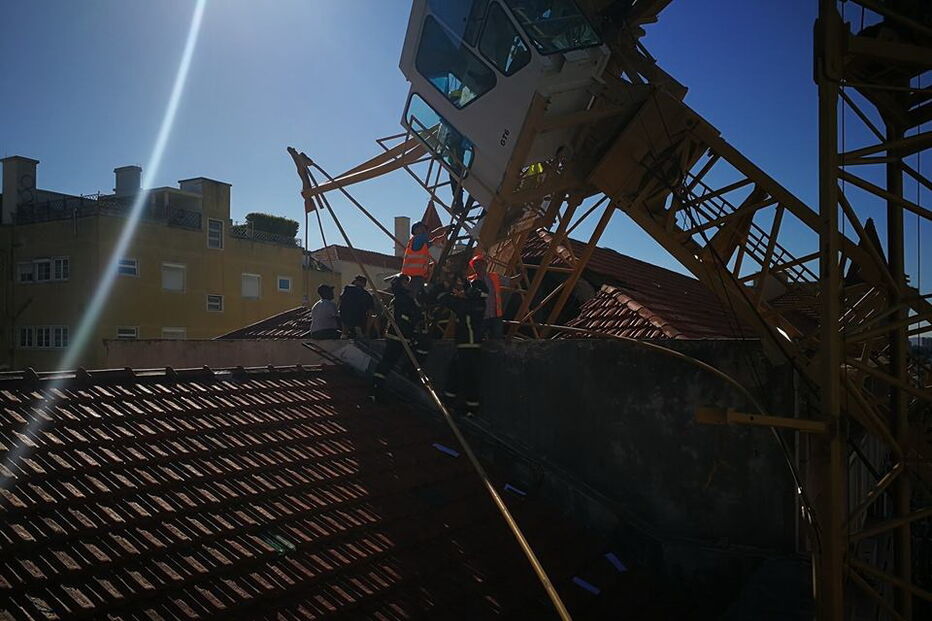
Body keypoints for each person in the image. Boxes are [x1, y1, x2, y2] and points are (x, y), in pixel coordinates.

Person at [368, 274, 424, 401]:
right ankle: (377, 388)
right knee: (388, 361)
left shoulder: (399, 299)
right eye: (405, 283)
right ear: (399, 284)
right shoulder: (403, 300)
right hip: (400, 336)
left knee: (388, 362)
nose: (408, 285)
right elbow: (404, 319)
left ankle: (378, 386)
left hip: (398, 335)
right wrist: (411, 333)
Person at [440, 277, 488, 417]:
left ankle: (468, 408)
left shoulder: (471, 305)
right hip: (465, 345)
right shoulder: (476, 303)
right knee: (455, 373)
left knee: (467, 377)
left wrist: (444, 290)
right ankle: (450, 402)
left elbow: (450, 302)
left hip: (469, 346)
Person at [468, 253, 509, 340]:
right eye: (476, 265)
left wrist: (521, 274)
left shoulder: (494, 277)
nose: (478, 267)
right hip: (480, 317)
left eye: (480, 264)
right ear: (473, 268)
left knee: (497, 339)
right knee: (477, 339)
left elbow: (510, 281)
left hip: (495, 315)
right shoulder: (470, 281)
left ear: (485, 265)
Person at [401, 221, 431, 296]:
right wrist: (445, 229)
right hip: (415, 276)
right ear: (416, 230)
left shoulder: (416, 241)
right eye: (423, 228)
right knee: (414, 296)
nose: (425, 230)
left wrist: (442, 236)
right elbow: (431, 235)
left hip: (412, 275)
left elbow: (432, 241)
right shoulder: (420, 238)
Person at [339, 275, 374, 339]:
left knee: (342, 309)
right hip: (360, 320)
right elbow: (370, 312)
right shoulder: (367, 294)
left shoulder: (347, 288)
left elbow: (341, 300)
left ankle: (344, 332)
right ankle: (366, 333)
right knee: (372, 315)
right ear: (364, 284)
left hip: (346, 319)